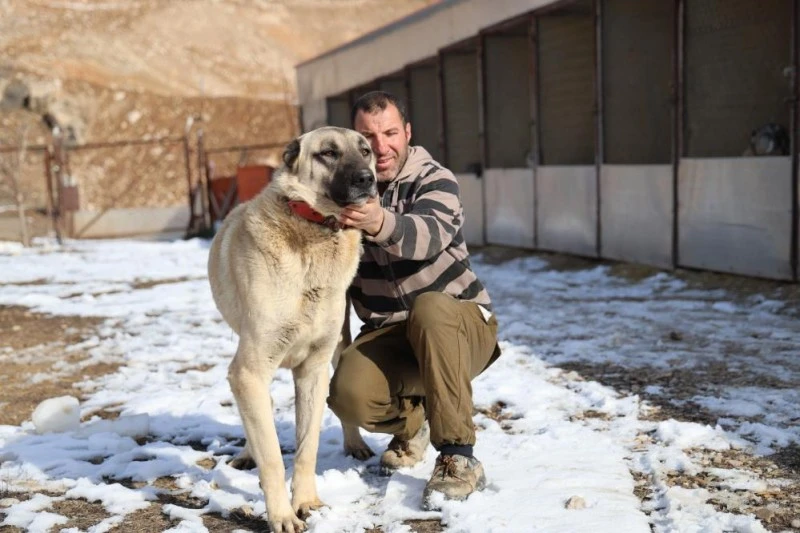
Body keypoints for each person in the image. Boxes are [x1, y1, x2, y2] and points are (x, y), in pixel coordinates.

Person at [328, 90, 501, 509]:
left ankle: (459, 458)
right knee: (347, 395)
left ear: (407, 133)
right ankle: (414, 423)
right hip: (391, 334)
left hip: (461, 326)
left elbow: (426, 236)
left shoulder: (435, 178)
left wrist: (377, 221)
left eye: (390, 133)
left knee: (430, 306)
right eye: (369, 136)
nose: (381, 146)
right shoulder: (338, 193)